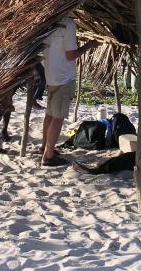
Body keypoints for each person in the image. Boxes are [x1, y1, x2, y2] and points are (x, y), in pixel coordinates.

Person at [41, 17, 98, 166]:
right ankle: (48, 155)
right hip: (63, 77)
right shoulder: (67, 24)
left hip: (51, 75)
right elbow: (70, 55)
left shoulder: (48, 22)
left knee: (50, 114)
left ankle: (44, 147)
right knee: (58, 117)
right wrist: (89, 45)